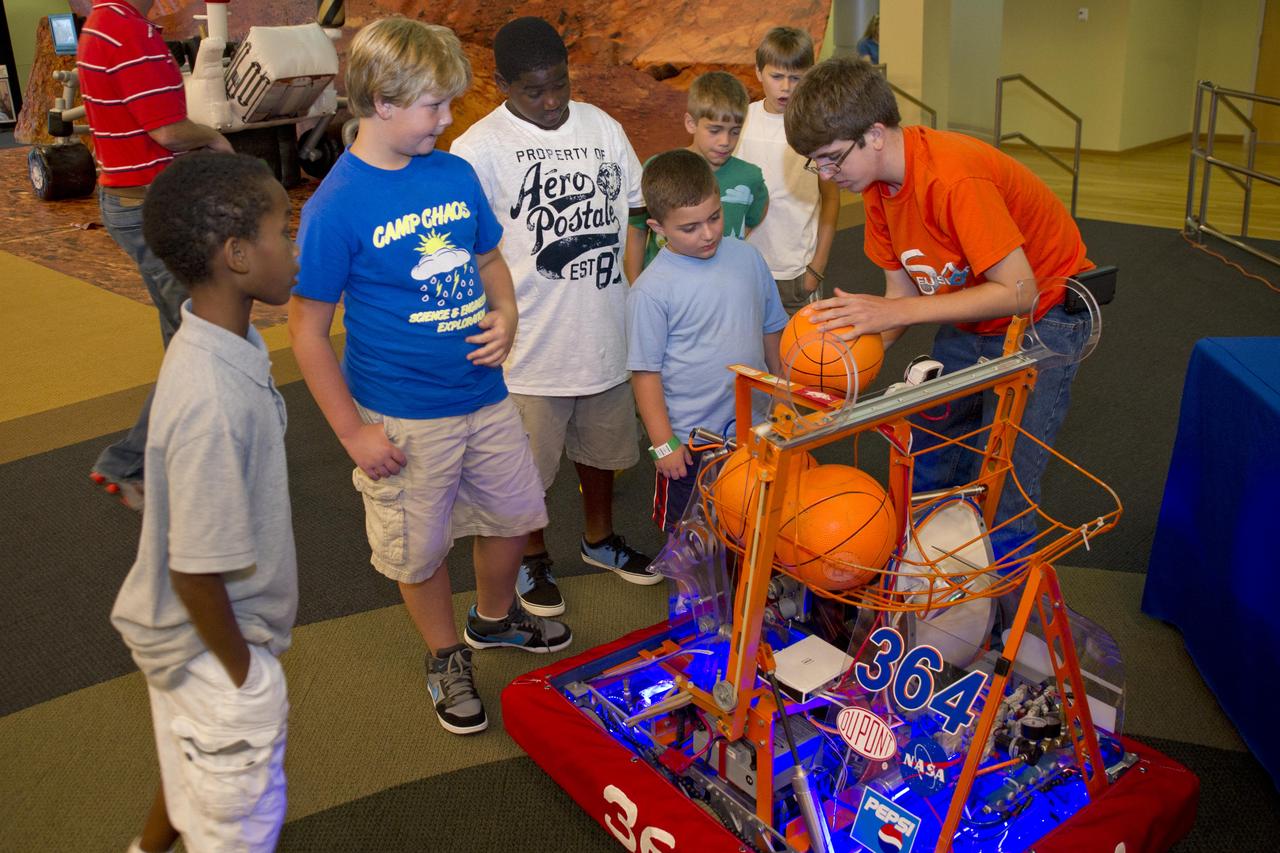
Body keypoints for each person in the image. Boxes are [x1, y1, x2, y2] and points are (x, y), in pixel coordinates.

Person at [289, 18, 571, 737]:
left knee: (517, 515)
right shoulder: (334, 207)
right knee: (418, 550)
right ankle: (446, 654)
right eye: (434, 106)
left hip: (484, 396)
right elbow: (306, 331)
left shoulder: (453, 172)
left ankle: (494, 618)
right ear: (381, 101)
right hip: (404, 417)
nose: (448, 120)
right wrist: (352, 431)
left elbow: (488, 261)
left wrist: (505, 312)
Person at [786, 57, 1093, 562]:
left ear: (876, 134)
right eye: (814, 162)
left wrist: (888, 316)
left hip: (1046, 314)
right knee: (928, 452)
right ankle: (932, 586)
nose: (824, 173)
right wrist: (845, 365)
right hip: (969, 311)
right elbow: (901, 299)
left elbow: (1020, 290)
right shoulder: (878, 189)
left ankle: (1005, 625)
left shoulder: (953, 179)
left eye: (832, 158)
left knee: (1004, 479)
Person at [110, 152, 298, 853]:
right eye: (285, 229)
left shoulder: (220, 340)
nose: (294, 245)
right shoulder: (212, 399)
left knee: (187, 763)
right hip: (213, 654)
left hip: (186, 650)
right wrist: (243, 680)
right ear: (239, 254)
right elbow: (196, 569)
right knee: (235, 825)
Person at [450, 16, 658, 620]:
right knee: (526, 475)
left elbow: (636, 209)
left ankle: (598, 541)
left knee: (605, 453)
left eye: (560, 86)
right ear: (500, 83)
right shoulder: (477, 149)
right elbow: (465, 253)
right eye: (533, 90)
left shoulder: (602, 127)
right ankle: (532, 557)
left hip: (603, 333)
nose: (550, 102)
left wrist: (634, 281)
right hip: (529, 351)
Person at [78, 0, 233, 509]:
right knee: (200, 336)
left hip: (139, 200)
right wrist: (212, 137)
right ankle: (129, 460)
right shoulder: (124, 31)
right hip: (145, 206)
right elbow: (166, 131)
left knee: (188, 335)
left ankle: (187, 454)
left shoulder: (111, 24)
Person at [628, 150, 788, 533]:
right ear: (657, 226)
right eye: (690, 227)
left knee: (755, 524)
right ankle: (695, 596)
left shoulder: (749, 258)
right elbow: (644, 373)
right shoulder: (650, 291)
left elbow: (772, 331)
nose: (709, 233)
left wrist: (785, 396)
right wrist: (664, 444)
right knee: (691, 538)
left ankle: (750, 594)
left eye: (714, 217)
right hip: (691, 443)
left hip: (755, 429)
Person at [736, 26, 840, 315]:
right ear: (758, 72)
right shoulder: (741, 122)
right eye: (777, 76)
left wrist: (817, 268)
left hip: (797, 272)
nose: (786, 87)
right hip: (748, 268)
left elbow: (830, 198)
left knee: (800, 356)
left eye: (796, 78)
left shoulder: (818, 127)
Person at [629, 71, 769, 268]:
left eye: (735, 132)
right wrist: (634, 285)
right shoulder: (657, 169)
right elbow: (637, 229)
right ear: (691, 123)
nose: (725, 142)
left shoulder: (750, 177)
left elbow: (753, 218)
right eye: (715, 130)